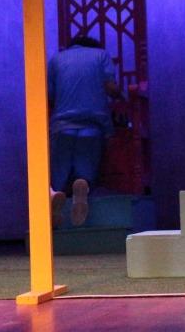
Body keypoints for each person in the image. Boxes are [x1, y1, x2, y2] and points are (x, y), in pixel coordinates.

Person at [47, 35, 121, 227]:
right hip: (93, 125)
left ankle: (56, 195)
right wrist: (120, 95)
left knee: (58, 171)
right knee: (85, 167)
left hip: (62, 125)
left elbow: (50, 95)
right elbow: (110, 87)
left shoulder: (56, 59)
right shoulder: (101, 55)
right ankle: (82, 186)